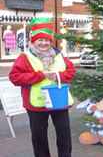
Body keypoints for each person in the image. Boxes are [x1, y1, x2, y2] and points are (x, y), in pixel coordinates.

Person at [9, 17, 76, 157]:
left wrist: (57, 76)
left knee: (64, 134)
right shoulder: (24, 57)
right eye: (40, 40)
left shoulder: (59, 56)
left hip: (59, 102)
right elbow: (14, 77)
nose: (44, 43)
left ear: (51, 41)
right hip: (36, 104)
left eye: (47, 40)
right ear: (33, 41)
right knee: (39, 138)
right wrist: (39, 76)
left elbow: (71, 72)